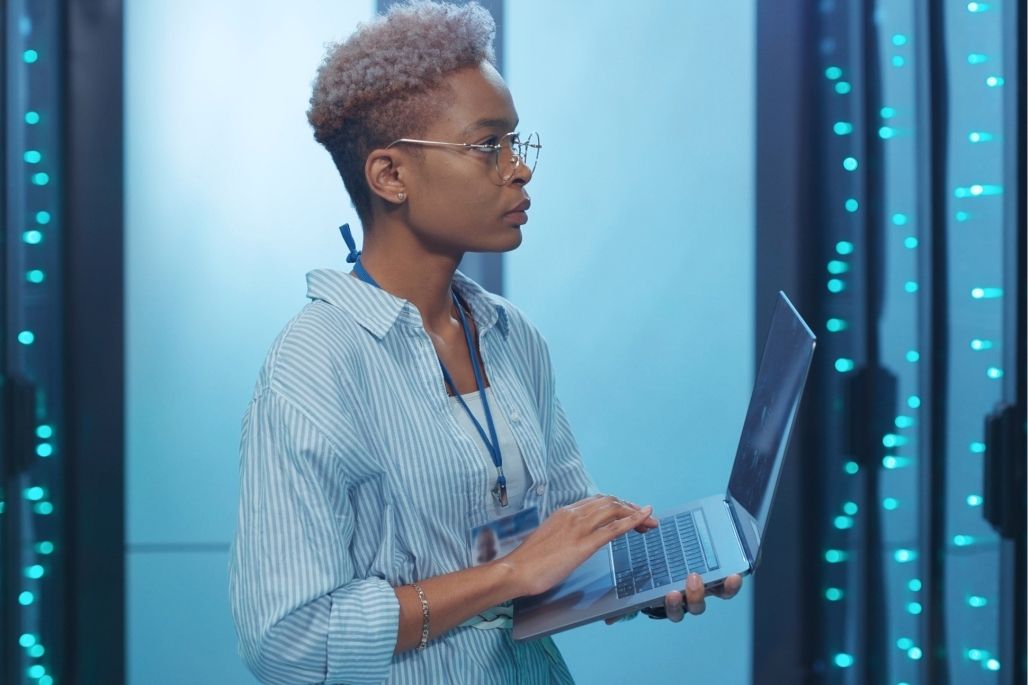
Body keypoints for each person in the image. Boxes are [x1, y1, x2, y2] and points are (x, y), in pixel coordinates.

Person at [228, 2, 741, 683]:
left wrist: (640, 574)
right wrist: (506, 575)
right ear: (390, 176)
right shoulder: (314, 363)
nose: (518, 170)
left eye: (516, 143)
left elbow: (556, 548)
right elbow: (288, 642)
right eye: (486, 146)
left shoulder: (511, 334)